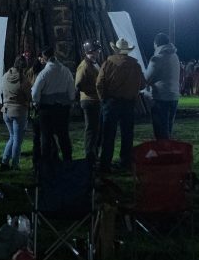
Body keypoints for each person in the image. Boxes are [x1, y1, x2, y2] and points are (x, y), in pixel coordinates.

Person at [97, 38, 146, 173]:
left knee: (108, 135)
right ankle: (126, 161)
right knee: (127, 134)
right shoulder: (135, 65)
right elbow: (142, 84)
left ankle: (105, 164)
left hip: (111, 102)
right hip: (128, 104)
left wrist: (103, 99)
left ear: (116, 50)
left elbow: (99, 83)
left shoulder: (108, 63)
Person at [30, 45, 75, 167]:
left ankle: (47, 163)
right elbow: (72, 90)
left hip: (47, 109)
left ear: (44, 57)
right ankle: (68, 161)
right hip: (63, 109)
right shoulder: (66, 70)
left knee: (46, 136)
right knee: (63, 136)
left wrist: (36, 102)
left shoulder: (45, 73)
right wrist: (70, 101)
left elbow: (35, 92)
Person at [144, 32, 180, 140]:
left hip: (160, 97)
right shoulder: (175, 56)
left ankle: (163, 154)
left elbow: (147, 78)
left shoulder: (157, 58)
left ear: (156, 44)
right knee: (167, 129)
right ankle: (168, 153)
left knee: (160, 132)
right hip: (174, 96)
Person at [0, 57, 32, 171]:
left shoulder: (5, 76)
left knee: (12, 137)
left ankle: (4, 163)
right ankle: (15, 164)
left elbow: (1, 91)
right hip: (19, 110)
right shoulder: (23, 79)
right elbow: (29, 95)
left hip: (6, 110)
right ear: (24, 67)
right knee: (17, 140)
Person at [74, 40, 102, 162]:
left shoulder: (94, 63)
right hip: (89, 100)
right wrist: (95, 89)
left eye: (97, 51)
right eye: (95, 51)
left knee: (96, 129)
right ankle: (90, 155)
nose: (97, 53)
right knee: (91, 129)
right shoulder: (84, 65)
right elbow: (79, 84)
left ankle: (94, 153)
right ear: (89, 52)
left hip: (95, 100)